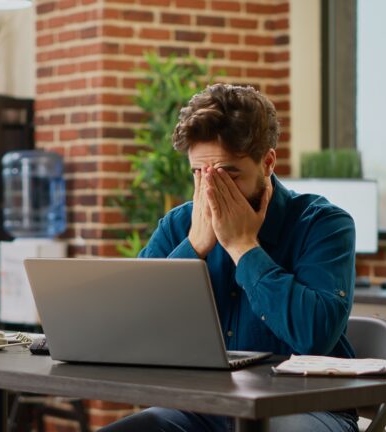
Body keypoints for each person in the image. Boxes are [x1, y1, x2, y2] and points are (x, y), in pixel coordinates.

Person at [102, 84, 358, 432]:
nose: (211, 190)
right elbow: (130, 324)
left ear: (267, 162)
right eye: (198, 173)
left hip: (309, 406)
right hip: (202, 408)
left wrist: (243, 246)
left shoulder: (324, 224)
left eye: (228, 174)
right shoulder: (180, 224)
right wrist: (194, 246)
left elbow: (313, 336)